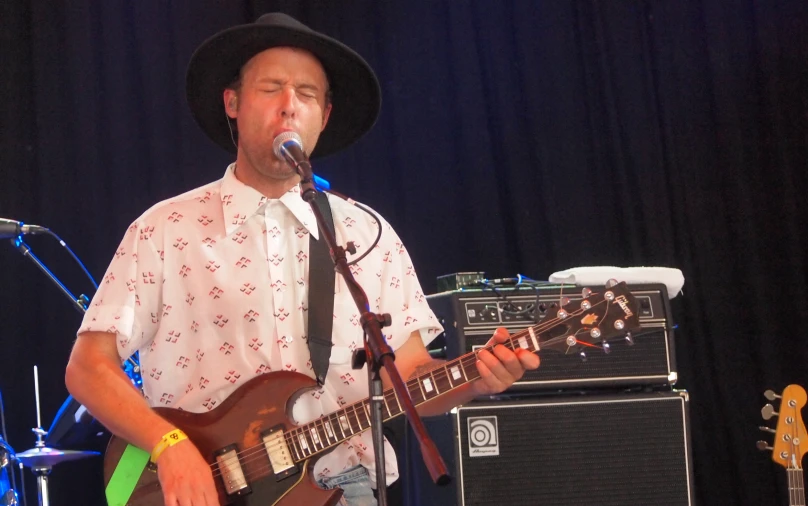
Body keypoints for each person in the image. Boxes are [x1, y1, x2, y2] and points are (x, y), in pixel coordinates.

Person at [65, 12, 539, 506]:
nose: (290, 106)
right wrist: (169, 445)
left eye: (308, 94)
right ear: (233, 102)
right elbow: (87, 367)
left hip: (344, 490)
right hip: (206, 491)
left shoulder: (367, 234)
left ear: (325, 116)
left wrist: (478, 379)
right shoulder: (164, 229)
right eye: (271, 88)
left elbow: (412, 376)